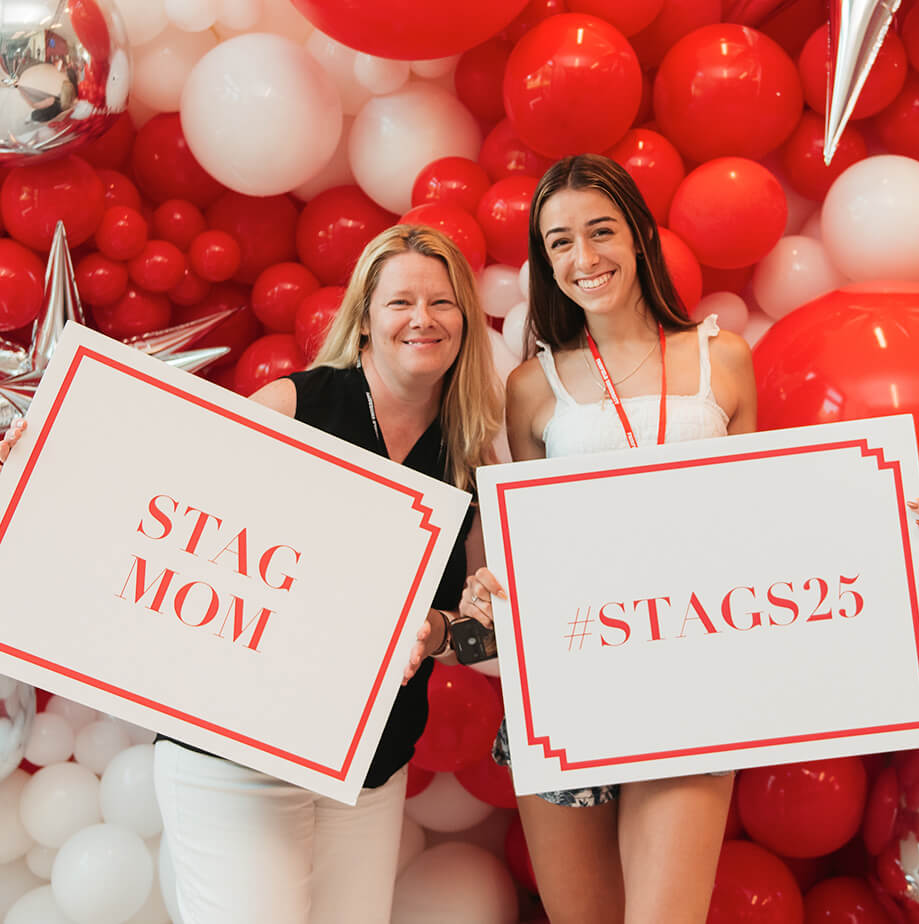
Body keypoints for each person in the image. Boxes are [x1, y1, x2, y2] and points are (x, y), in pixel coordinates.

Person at [0, 225, 501, 924]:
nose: (423, 319)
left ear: (465, 323)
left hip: (370, 769)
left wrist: (441, 628)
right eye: (401, 302)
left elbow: (479, 632)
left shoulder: (467, 454)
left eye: (442, 303)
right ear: (363, 320)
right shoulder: (293, 408)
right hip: (237, 760)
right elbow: (159, 510)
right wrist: (43, 462)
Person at [457, 153, 756, 924]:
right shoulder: (533, 387)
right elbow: (536, 546)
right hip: (566, 687)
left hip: (692, 678)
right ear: (543, 261)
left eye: (600, 232)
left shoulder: (720, 361)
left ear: (640, 236)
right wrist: (495, 584)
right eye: (559, 243)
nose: (584, 260)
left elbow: (765, 524)